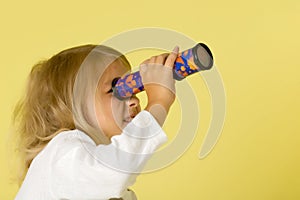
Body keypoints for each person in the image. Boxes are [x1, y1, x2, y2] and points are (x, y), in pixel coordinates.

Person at [12, 44, 179, 199]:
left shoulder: (100, 180)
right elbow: (115, 170)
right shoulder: (60, 154)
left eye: (132, 89)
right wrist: (158, 102)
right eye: (116, 90)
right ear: (73, 106)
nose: (134, 100)